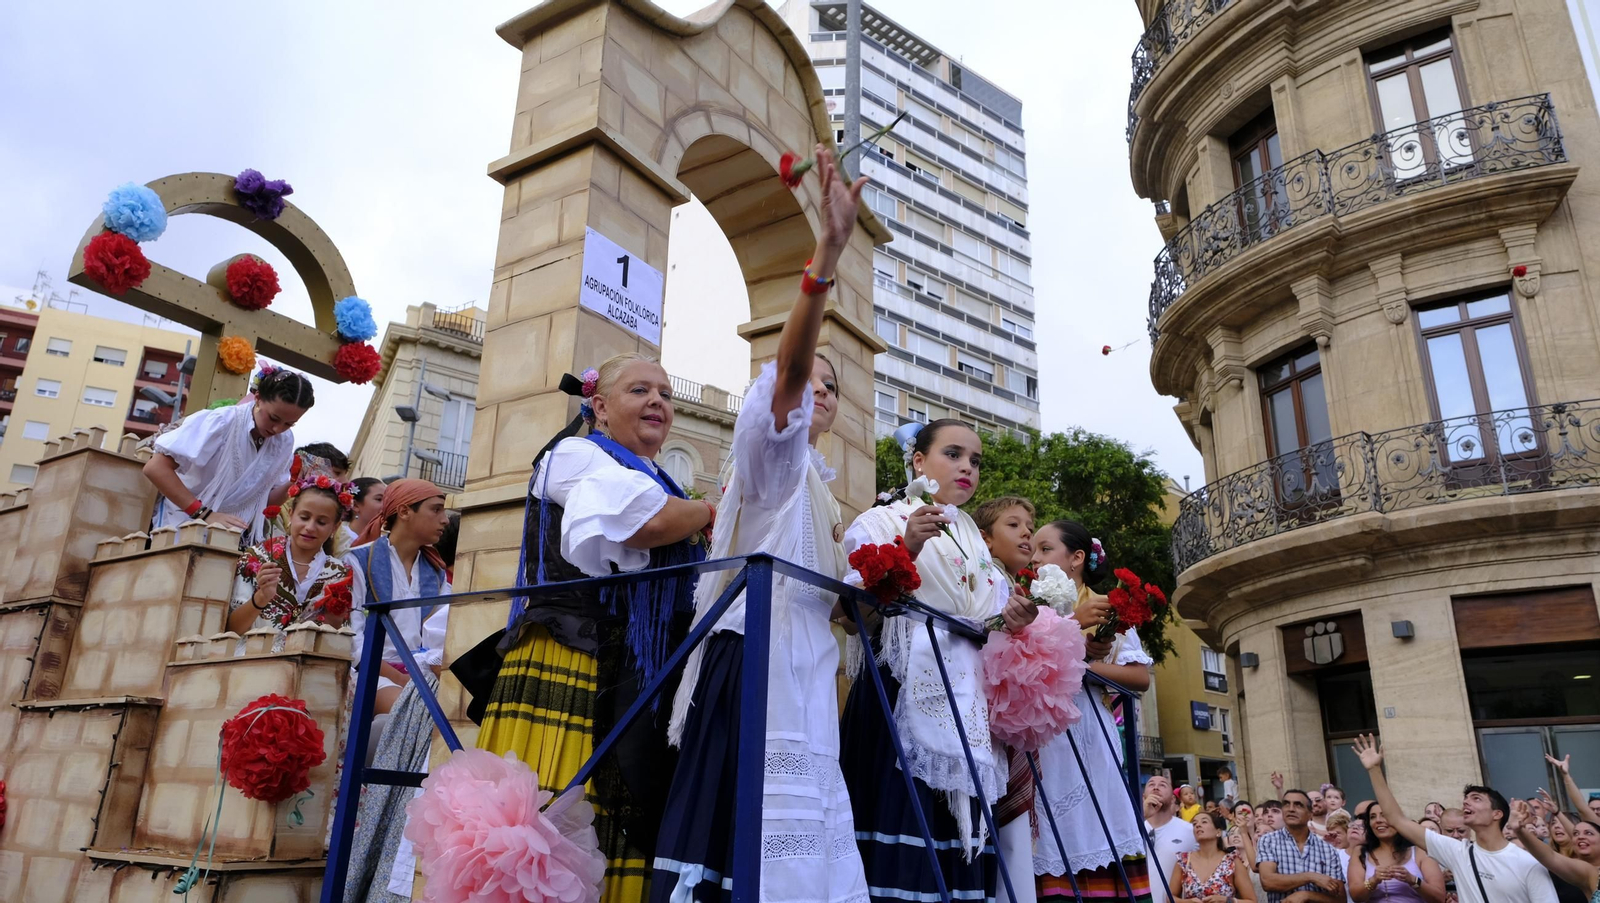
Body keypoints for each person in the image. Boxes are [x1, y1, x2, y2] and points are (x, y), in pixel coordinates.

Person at [649, 146, 870, 903]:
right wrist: (827, 255)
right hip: (753, 662)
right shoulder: (772, 465)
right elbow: (790, 377)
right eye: (819, 381)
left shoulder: (820, 488)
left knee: (806, 840)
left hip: (807, 668)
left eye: (837, 388)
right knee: (743, 847)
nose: (823, 394)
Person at [454, 350, 713, 903]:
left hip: (635, 670)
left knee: (617, 818)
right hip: (572, 652)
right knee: (557, 816)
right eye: (640, 390)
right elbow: (650, 521)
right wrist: (712, 511)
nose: (657, 402)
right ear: (597, 404)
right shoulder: (574, 453)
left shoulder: (656, 476)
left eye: (665, 394)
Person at [839, 418, 1037, 903]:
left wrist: (1011, 619)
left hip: (968, 704)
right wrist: (905, 547)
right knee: (903, 825)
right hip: (900, 692)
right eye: (954, 454)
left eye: (975, 460)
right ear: (919, 461)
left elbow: (981, 626)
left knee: (955, 848)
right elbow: (848, 614)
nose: (967, 467)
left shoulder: (975, 540)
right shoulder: (881, 521)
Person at [339, 478, 453, 903]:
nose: (444, 519)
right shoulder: (356, 561)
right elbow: (352, 638)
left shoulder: (437, 572)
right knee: (422, 706)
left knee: (433, 705)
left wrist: (419, 673)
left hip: (419, 674)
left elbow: (440, 638)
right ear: (404, 511)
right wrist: (403, 676)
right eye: (436, 509)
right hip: (368, 672)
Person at [1029, 521, 1152, 903]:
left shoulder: (1104, 607)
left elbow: (1140, 677)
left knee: (1101, 818)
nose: (1034, 558)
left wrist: (1083, 666)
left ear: (1077, 559)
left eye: (1045, 549)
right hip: (1042, 735)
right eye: (1033, 550)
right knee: (1048, 829)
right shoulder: (1027, 608)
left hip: (1091, 734)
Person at [1352, 734, 1557, 903]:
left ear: (1497, 814)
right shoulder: (1458, 852)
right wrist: (1374, 770)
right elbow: (1397, 819)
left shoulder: (1527, 862)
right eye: (1465, 799)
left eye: (1476, 799)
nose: (1466, 803)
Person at [143, 365, 311, 535]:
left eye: (289, 424)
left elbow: (263, 500)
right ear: (258, 398)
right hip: (182, 523)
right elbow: (155, 467)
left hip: (234, 531)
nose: (277, 429)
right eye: (273, 418)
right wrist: (204, 514)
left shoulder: (284, 441)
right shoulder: (223, 421)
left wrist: (295, 482)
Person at [977, 494, 1043, 903]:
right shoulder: (985, 578)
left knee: (1013, 831)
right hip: (986, 713)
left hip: (1006, 718)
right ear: (985, 539)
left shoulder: (1016, 586)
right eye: (1014, 525)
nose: (1026, 534)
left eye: (1030, 529)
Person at [227, 475, 355, 652]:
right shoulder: (256, 558)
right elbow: (231, 629)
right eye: (304, 517)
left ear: (334, 527)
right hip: (251, 661)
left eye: (321, 522)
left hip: (308, 666)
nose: (310, 527)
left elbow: (340, 637)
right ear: (291, 515)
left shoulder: (340, 573)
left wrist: (334, 621)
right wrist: (261, 598)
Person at [1255, 789, 1345, 903]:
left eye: (1298, 805)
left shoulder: (1328, 850)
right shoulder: (1268, 840)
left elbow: (1340, 899)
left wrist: (1307, 895)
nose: (1291, 809)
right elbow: (1267, 881)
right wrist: (1310, 877)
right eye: (1286, 804)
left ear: (1310, 814)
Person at [1348, 803, 1446, 903]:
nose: (1378, 820)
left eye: (1384, 815)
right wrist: (1373, 881)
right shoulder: (1361, 852)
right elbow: (1356, 897)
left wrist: (1413, 880)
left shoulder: (1419, 850)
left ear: (1398, 819)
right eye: (1373, 817)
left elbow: (1439, 898)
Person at [1512, 800, 1600, 903]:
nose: (1580, 837)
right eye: (1575, 834)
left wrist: (1557, 812)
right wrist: (1520, 831)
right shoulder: (1591, 874)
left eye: (1588, 833)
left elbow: (1583, 810)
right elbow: (1551, 857)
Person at [1171, 811, 1255, 903]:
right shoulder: (1184, 860)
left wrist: (1228, 901)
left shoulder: (1232, 861)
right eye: (1194, 824)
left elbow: (1252, 901)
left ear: (1218, 832)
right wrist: (1188, 902)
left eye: (1204, 822)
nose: (1198, 825)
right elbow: (1170, 897)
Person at [1147, 775, 1201, 882]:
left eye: (1162, 785)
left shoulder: (1191, 831)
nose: (1156, 788)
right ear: (1144, 797)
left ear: (1173, 799)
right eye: (1151, 784)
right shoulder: (1132, 832)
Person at [345, 477, 386, 544]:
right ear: (355, 505)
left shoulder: (383, 542)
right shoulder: (340, 540)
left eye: (386, 500)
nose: (385, 505)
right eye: (379, 499)